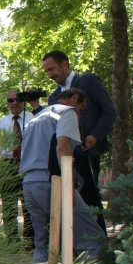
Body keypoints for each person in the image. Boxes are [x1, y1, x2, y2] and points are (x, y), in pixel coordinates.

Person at [19, 89, 104, 264]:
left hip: (29, 184)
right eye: (81, 110)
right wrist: (68, 186)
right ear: (75, 100)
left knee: (43, 245)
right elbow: (62, 147)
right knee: (92, 237)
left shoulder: (36, 117)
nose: (79, 115)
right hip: (53, 183)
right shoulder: (66, 112)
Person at [44, 50, 116, 234]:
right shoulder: (53, 98)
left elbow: (109, 110)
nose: (50, 75)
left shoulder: (88, 81)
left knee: (89, 197)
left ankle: (100, 246)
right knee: (68, 199)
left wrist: (95, 136)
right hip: (64, 155)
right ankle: (75, 247)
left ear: (65, 64)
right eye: (47, 72)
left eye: (52, 69)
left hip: (87, 152)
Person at [0, 89, 34, 244]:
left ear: (24, 101)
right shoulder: (1, 124)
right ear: (7, 103)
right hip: (7, 165)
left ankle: (31, 240)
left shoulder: (33, 119)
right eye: (11, 100)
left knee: (29, 203)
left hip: (28, 163)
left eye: (18, 99)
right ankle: (13, 241)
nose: (15, 103)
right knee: (8, 204)